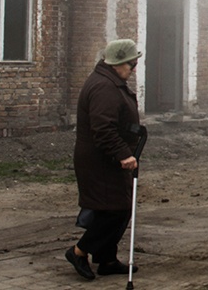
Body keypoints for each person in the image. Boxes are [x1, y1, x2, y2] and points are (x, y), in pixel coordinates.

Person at [65, 39, 143, 280]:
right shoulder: (104, 87)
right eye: (132, 65)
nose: (134, 69)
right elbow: (103, 128)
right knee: (115, 210)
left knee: (109, 208)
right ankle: (79, 252)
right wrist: (123, 154)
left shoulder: (110, 81)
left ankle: (107, 260)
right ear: (118, 63)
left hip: (105, 159)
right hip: (100, 161)